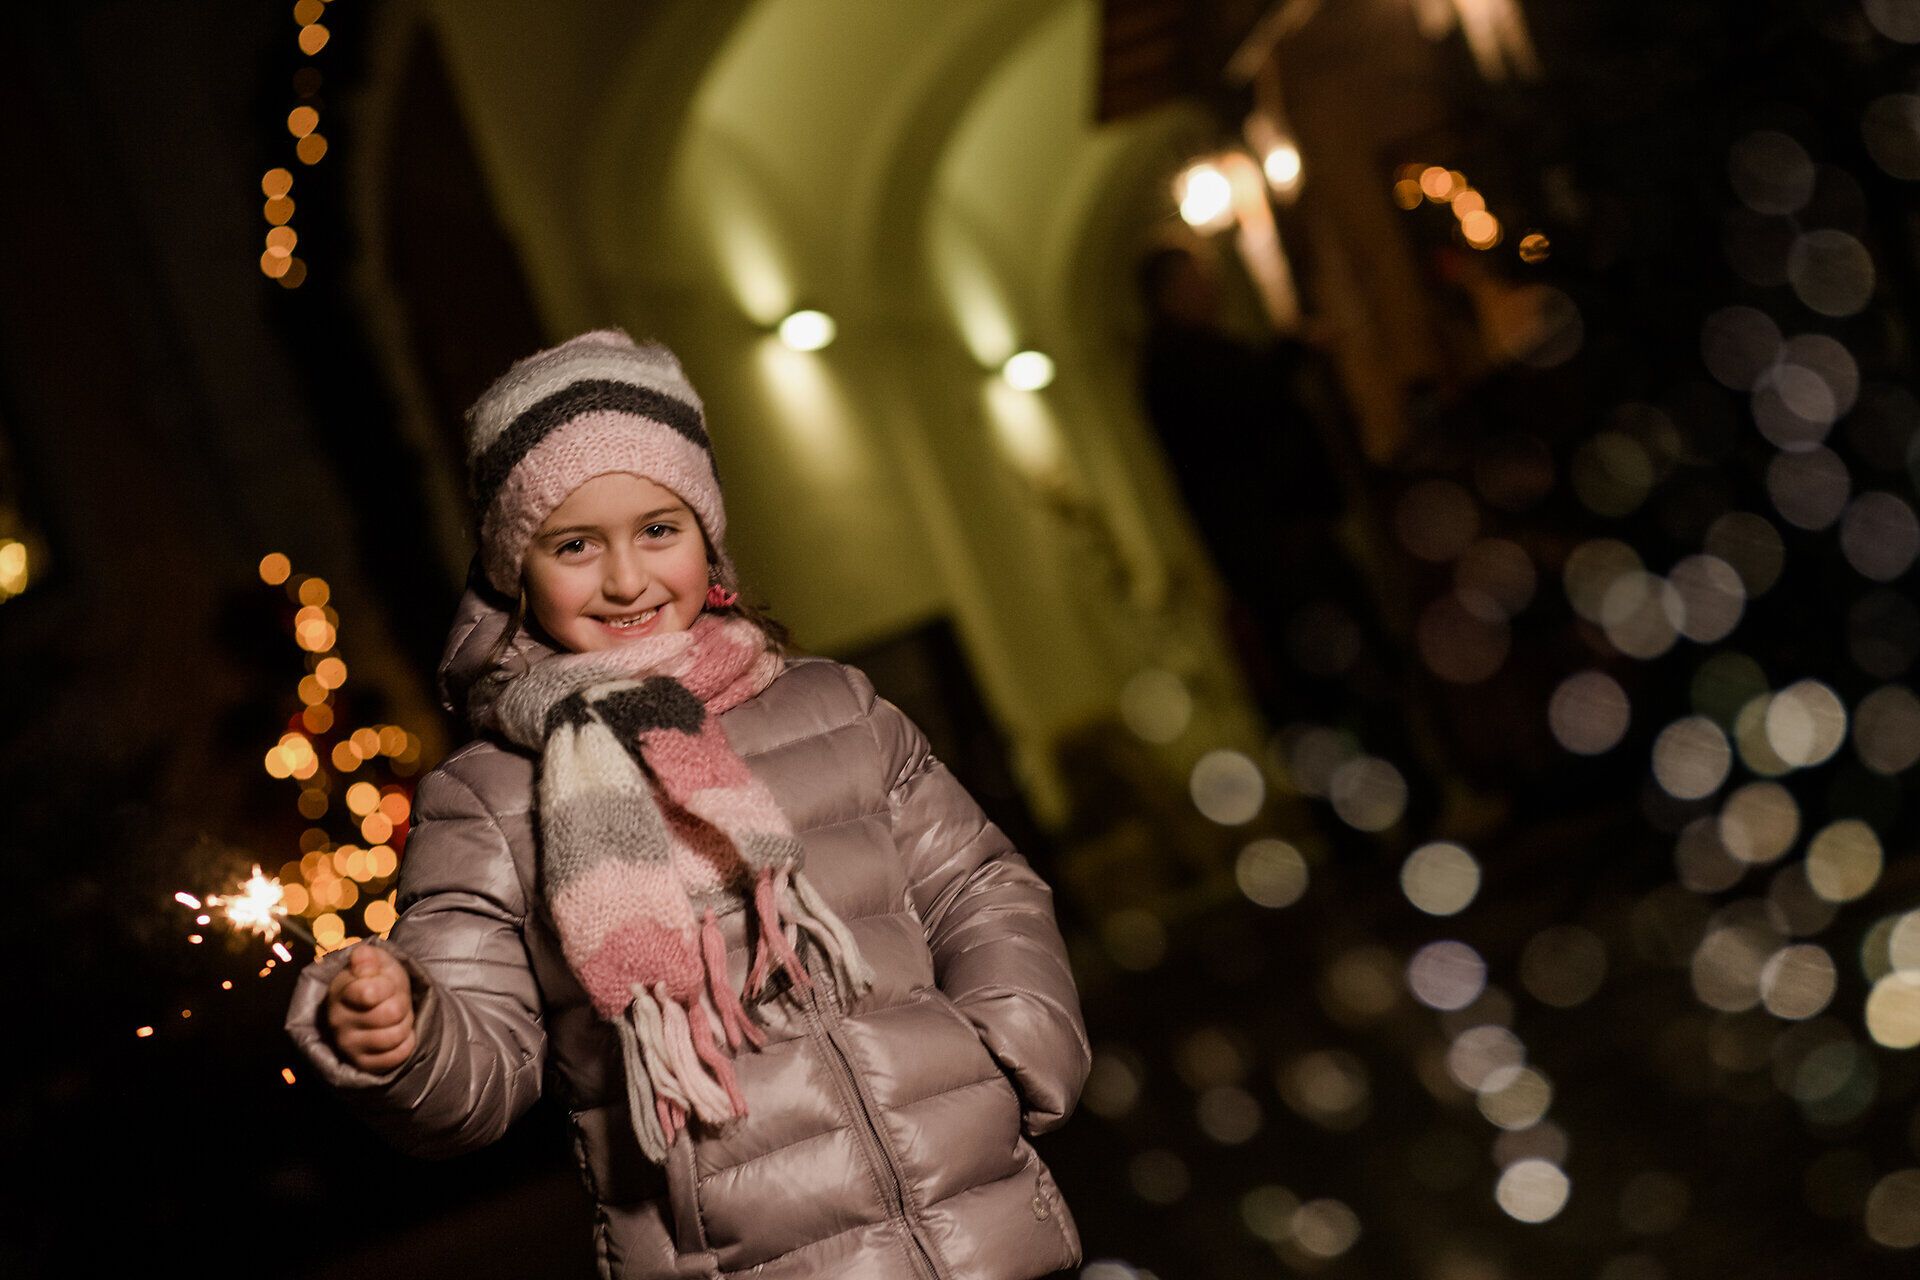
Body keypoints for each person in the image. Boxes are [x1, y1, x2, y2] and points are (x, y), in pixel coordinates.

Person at [284, 329, 1090, 1280]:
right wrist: (405, 1032)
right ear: (513, 567)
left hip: (985, 1229)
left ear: (708, 535)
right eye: (575, 545)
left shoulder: (835, 709)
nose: (626, 579)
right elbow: (484, 1063)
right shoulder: (489, 800)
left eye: (659, 530)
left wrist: (1010, 1054)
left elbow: (979, 887)